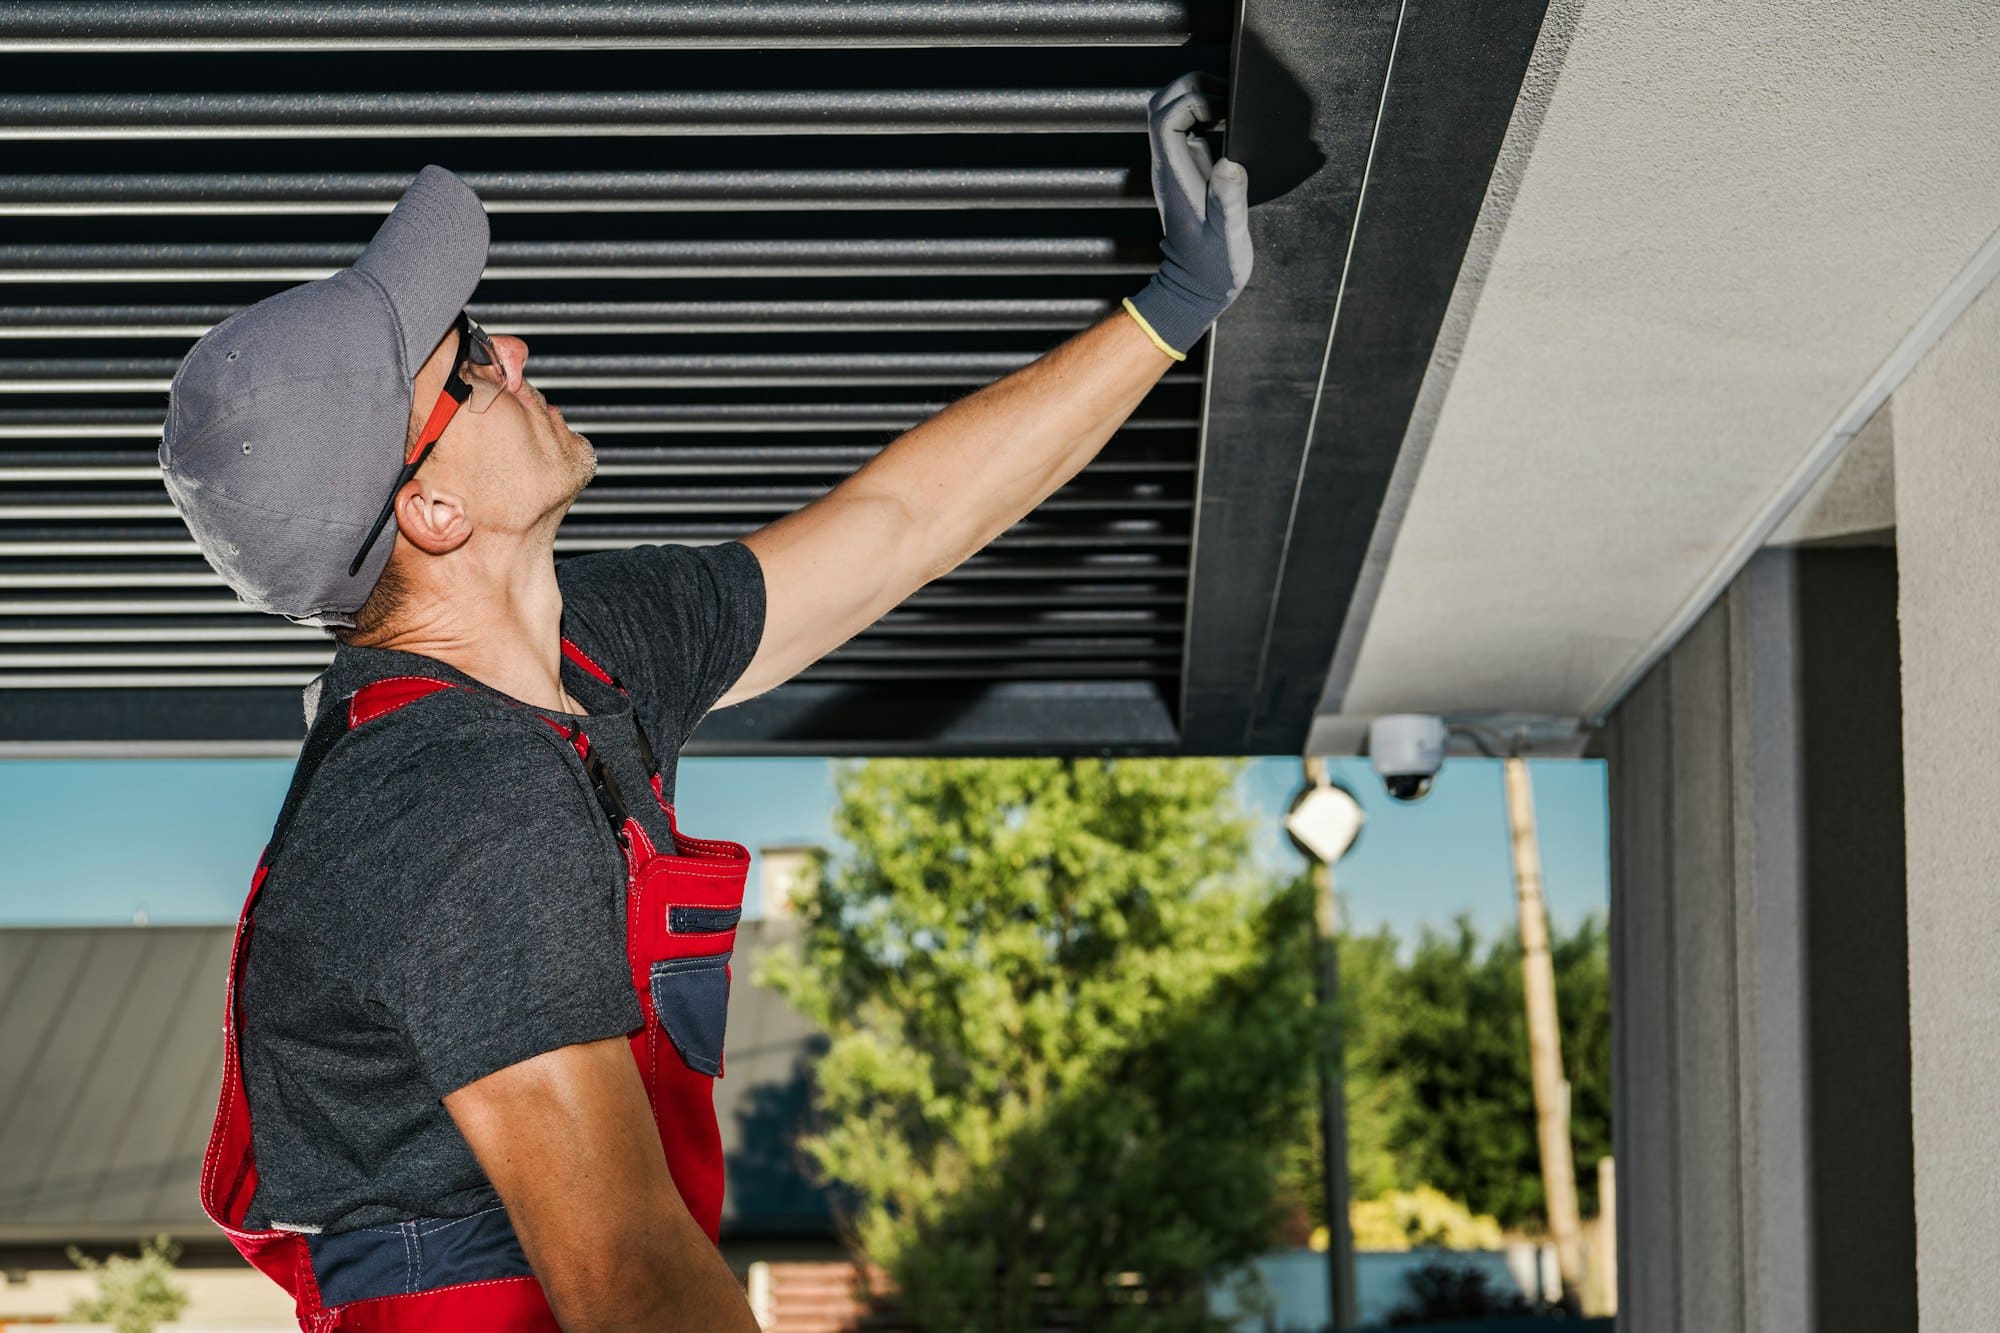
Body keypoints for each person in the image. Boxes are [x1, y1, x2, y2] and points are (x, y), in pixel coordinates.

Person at [162, 71, 1251, 1332]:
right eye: (467, 362)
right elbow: (627, 1277)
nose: (513, 352)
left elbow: (898, 528)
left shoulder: (587, 657)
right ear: (432, 512)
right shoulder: (455, 800)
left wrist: (1167, 310)